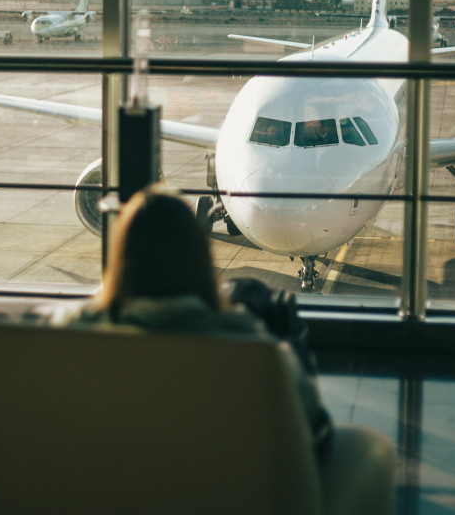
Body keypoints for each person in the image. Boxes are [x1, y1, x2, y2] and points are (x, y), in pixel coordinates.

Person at [47, 186, 332, 450]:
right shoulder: (250, 344)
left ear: (121, 256)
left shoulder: (68, 330)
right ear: (199, 256)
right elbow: (314, 432)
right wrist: (291, 341)